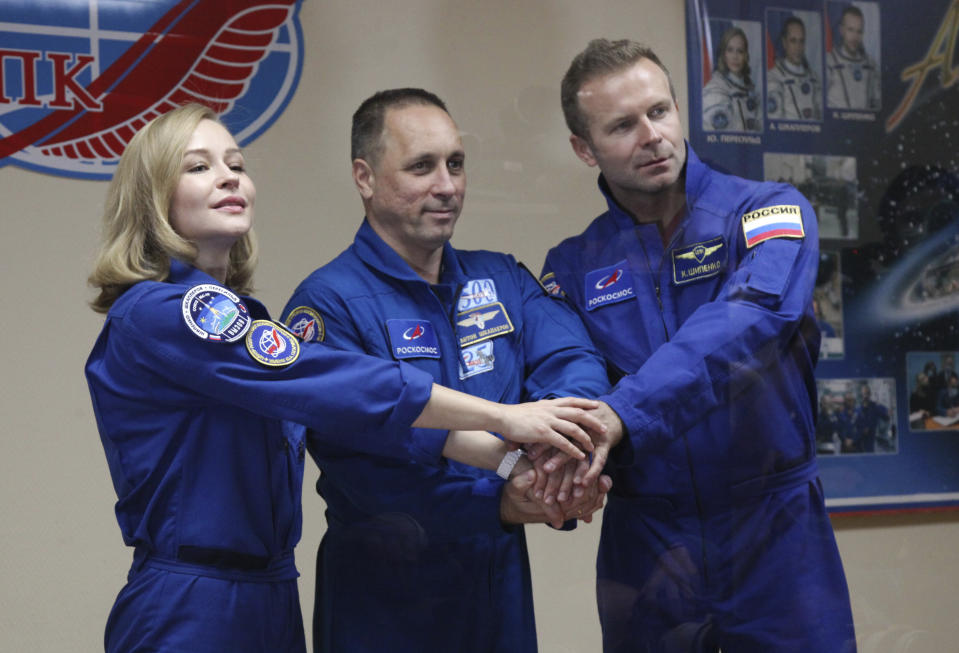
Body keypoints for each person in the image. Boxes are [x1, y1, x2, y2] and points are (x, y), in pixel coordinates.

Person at [85, 103, 605, 653]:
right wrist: (503, 416)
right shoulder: (164, 313)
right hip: (196, 598)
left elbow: (374, 415)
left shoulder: (239, 315)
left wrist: (517, 462)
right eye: (197, 167)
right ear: (152, 195)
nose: (228, 176)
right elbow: (345, 385)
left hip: (271, 588)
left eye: (235, 163)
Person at [542, 39, 856, 651]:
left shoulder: (767, 212)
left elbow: (749, 320)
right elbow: (568, 373)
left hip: (773, 531)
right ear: (585, 149)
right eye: (623, 125)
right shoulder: (573, 266)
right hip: (649, 540)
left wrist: (619, 415)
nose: (652, 135)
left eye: (660, 112)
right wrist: (568, 461)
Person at [282, 88, 613, 653]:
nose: (447, 185)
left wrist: (559, 457)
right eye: (421, 167)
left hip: (497, 591)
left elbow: (572, 360)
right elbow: (359, 458)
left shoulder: (501, 279)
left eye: (455, 164)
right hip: (386, 602)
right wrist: (503, 498)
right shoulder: (327, 304)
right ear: (364, 177)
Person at [702, 26, 761, 132]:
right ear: (723, 54)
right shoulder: (714, 89)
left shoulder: (751, 88)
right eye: (730, 50)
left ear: (746, 56)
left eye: (740, 51)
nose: (735, 56)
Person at [767, 16, 823, 120]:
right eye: (793, 41)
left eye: (801, 41)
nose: (798, 47)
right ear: (784, 43)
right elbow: (774, 121)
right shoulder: (773, 77)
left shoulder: (814, 78)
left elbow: (823, 118)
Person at [826, 6, 880, 110]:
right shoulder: (828, 62)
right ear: (841, 30)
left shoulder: (871, 65)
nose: (855, 37)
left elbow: (877, 104)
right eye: (850, 30)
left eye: (859, 31)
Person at [853, 382, 890, 452]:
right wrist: (861, 430)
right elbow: (853, 424)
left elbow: (886, 417)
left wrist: (887, 412)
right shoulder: (857, 409)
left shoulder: (875, 407)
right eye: (864, 393)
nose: (866, 396)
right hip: (859, 440)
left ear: (870, 394)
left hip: (870, 441)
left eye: (867, 393)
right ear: (861, 394)